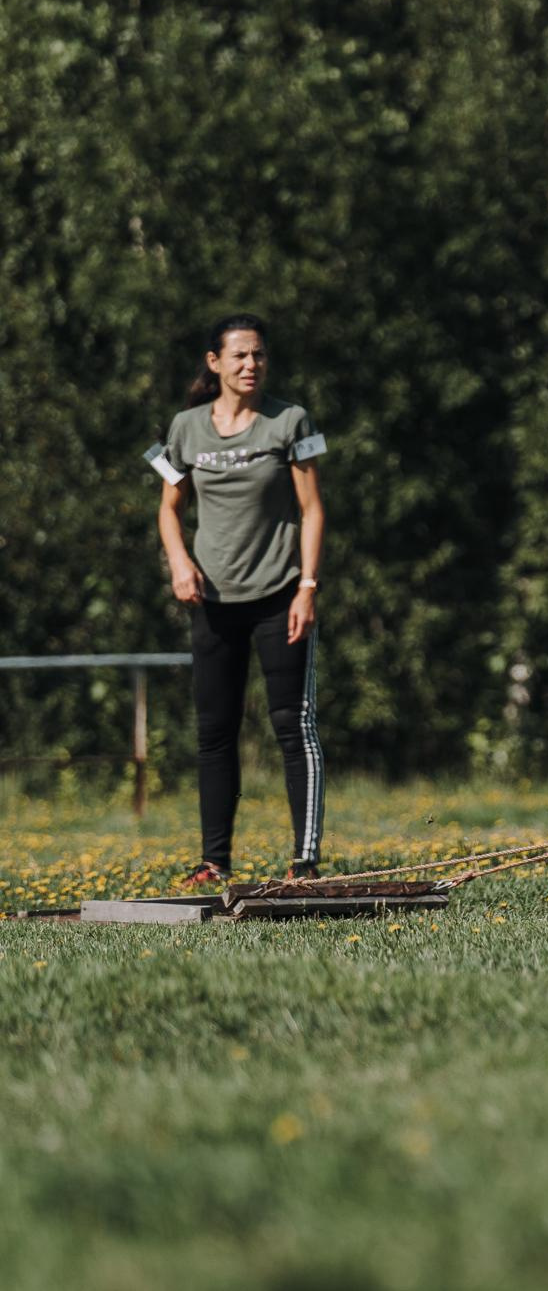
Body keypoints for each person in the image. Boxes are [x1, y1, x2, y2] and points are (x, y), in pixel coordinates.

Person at [150, 313, 328, 886]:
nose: (252, 364)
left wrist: (307, 587)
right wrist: (180, 563)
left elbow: (312, 510)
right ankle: (213, 861)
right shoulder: (184, 428)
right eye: (240, 355)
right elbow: (169, 510)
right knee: (214, 732)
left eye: (259, 355)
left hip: (281, 595)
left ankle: (304, 862)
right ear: (215, 363)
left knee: (292, 727)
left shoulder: (292, 420)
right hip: (213, 600)